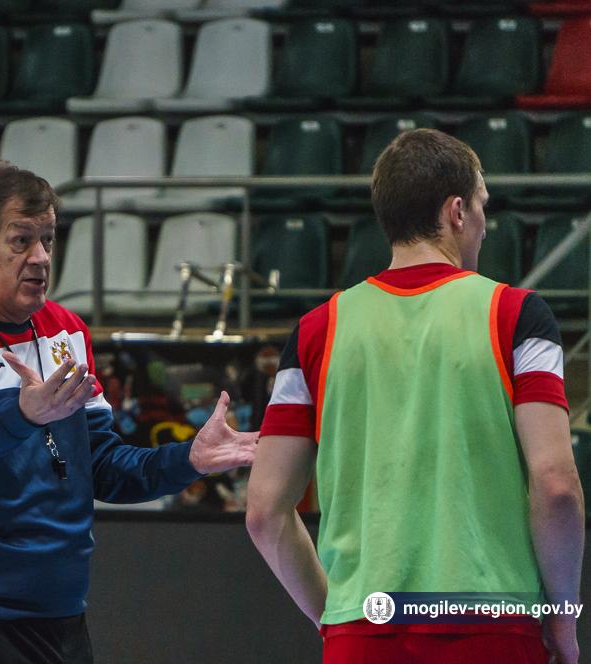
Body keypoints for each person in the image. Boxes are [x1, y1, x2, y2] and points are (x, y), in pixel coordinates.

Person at [245, 128, 584, 664]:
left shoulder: (316, 331)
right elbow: (557, 485)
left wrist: (334, 617)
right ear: (456, 212)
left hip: (362, 630)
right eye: (481, 206)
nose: (484, 224)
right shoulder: (518, 315)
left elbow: (264, 512)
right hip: (492, 628)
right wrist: (562, 619)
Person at [0, 159, 258, 663]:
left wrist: (188, 460)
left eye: (48, 239)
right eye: (21, 241)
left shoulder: (66, 330)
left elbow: (103, 467)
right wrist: (22, 414)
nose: (41, 257)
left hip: (62, 609)